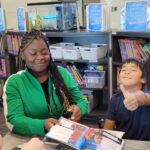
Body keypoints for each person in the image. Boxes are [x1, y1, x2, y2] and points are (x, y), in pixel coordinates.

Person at [3, 29, 88, 136]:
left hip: (63, 136)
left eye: (44, 52)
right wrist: (43, 125)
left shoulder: (62, 74)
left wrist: (80, 109)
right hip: (30, 139)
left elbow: (82, 102)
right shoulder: (14, 82)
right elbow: (14, 120)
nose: (40, 57)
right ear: (23, 55)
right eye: (33, 54)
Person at [104, 58, 150, 140]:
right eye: (123, 69)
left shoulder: (147, 95)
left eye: (133, 70)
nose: (127, 72)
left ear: (144, 79)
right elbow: (108, 129)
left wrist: (141, 98)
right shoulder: (114, 99)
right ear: (118, 78)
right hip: (123, 143)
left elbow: (146, 98)